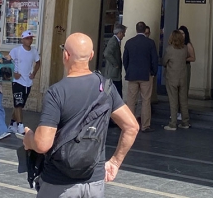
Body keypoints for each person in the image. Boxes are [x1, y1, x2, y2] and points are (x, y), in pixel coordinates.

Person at [23, 32, 139, 198]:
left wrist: (29, 139)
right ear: (91, 55)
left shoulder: (56, 92)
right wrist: (114, 162)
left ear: (66, 55)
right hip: (94, 182)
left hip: (58, 182)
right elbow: (132, 127)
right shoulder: (106, 87)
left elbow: (42, 144)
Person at [122, 21, 157, 132]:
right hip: (146, 75)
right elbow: (154, 60)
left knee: (131, 101)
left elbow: (125, 60)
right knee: (146, 100)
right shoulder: (150, 43)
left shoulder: (129, 42)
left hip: (132, 75)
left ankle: (129, 125)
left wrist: (128, 70)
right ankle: (145, 126)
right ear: (144, 30)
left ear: (136, 30)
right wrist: (153, 72)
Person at [9, 30, 41, 135]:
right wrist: (14, 73)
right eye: (27, 38)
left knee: (20, 104)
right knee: (18, 104)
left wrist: (34, 73)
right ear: (22, 39)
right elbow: (7, 61)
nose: (30, 40)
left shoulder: (34, 51)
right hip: (17, 81)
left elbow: (38, 62)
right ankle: (20, 126)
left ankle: (12, 124)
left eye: (31, 38)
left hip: (28, 82)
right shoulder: (16, 50)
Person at [162, 30, 192, 130]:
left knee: (173, 101)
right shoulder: (184, 49)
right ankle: (185, 122)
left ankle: (173, 123)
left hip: (172, 78)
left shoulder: (169, 49)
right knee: (183, 101)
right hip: (183, 77)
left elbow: (164, 62)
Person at [102, 24, 126, 96]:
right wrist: (115, 64)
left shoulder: (115, 41)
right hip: (113, 73)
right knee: (116, 93)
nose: (124, 35)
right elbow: (106, 53)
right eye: (123, 33)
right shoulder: (113, 41)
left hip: (113, 73)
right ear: (120, 33)